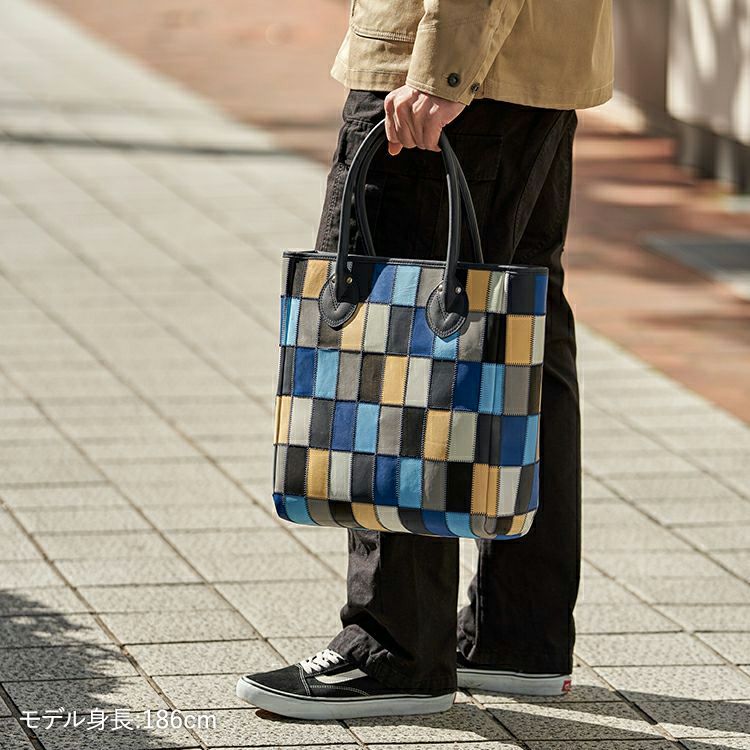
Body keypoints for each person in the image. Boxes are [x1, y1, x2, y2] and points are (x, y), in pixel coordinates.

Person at [237, 0, 614, 720]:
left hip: (440, 63)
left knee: (392, 346)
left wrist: (442, 72)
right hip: (530, 64)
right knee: (519, 346)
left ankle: (393, 649)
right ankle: (518, 634)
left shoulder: (440, 74)